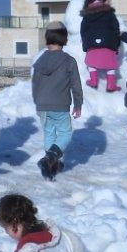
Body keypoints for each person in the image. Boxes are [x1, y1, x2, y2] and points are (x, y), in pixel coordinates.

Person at [31, 22, 83, 181]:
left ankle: (51, 166)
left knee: (49, 133)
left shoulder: (40, 61)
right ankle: (50, 158)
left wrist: (37, 102)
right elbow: (75, 84)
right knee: (65, 133)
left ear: (47, 39)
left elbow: (35, 84)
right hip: (60, 105)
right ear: (64, 40)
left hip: (42, 105)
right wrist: (78, 104)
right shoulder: (69, 61)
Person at [79, 0, 124, 92]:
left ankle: (93, 81)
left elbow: (83, 31)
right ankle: (111, 84)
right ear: (104, 0)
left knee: (91, 63)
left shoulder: (87, 15)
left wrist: (85, 46)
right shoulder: (110, 13)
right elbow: (116, 29)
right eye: (109, 0)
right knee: (110, 64)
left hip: (91, 44)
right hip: (108, 43)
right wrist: (116, 45)